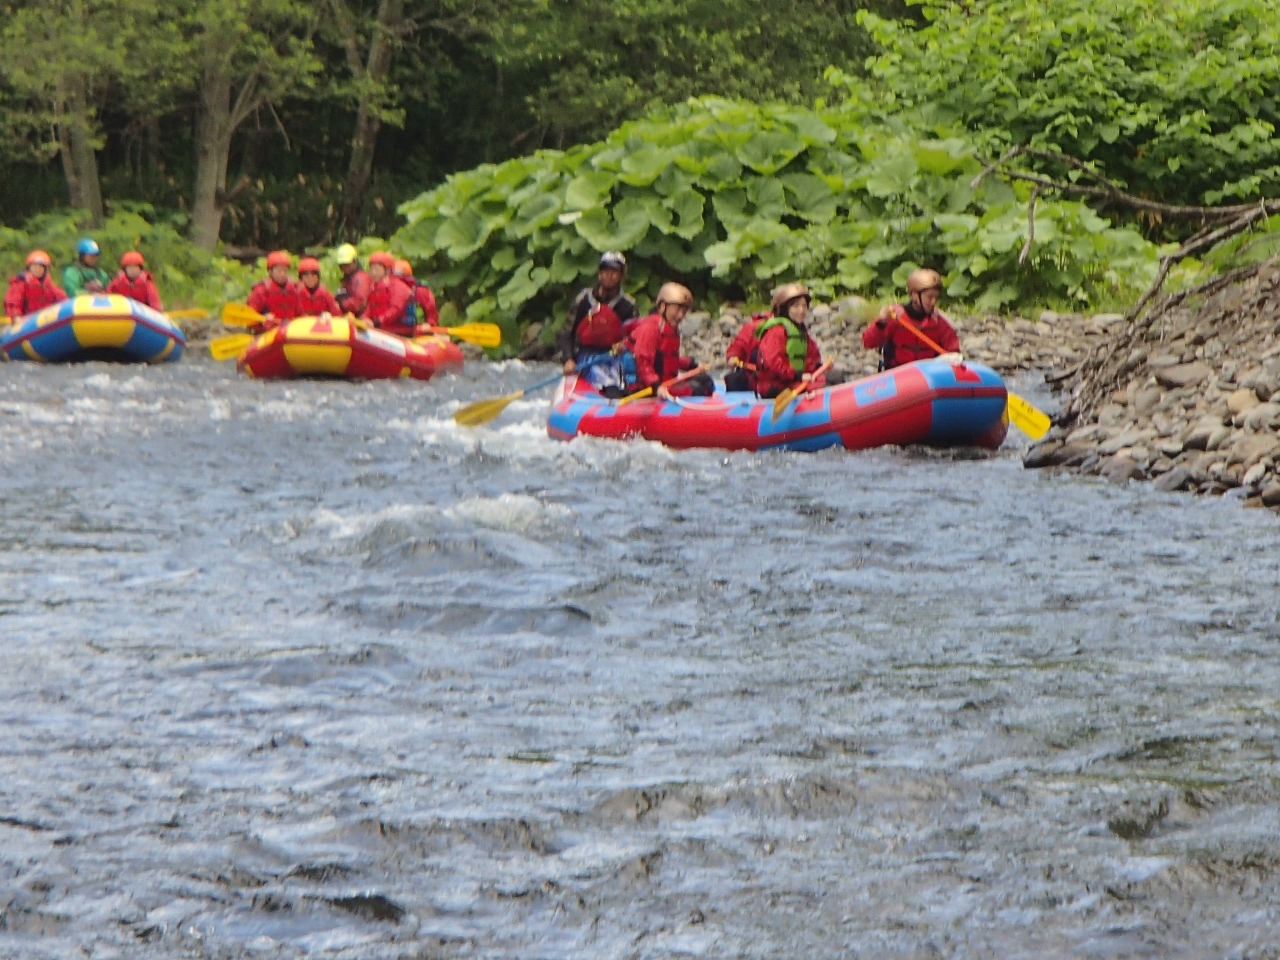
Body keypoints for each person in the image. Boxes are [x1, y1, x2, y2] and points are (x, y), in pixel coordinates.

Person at [625, 282, 714, 398]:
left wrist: (693, 365)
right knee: (696, 389)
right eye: (677, 309)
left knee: (705, 381)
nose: (680, 315)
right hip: (647, 387)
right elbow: (643, 363)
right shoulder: (650, 329)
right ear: (663, 306)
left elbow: (667, 358)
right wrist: (657, 386)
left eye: (684, 311)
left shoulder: (670, 329)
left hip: (665, 382)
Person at [862, 268, 960, 370]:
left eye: (936, 297)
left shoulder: (938, 323)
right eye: (929, 297)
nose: (933, 302)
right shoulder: (895, 317)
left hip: (928, 375)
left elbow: (954, 351)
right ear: (914, 295)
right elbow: (868, 342)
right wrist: (881, 323)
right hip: (897, 374)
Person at [751, 284, 828, 399]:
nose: (801, 310)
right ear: (785, 308)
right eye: (796, 306)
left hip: (793, 381)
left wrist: (819, 367)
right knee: (822, 385)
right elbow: (773, 362)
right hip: (775, 385)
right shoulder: (776, 331)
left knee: (834, 378)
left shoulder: (800, 332)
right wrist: (798, 376)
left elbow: (811, 357)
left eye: (804, 305)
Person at [361, 251, 413, 335]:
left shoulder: (398, 286)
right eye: (371, 269)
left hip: (400, 332)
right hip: (382, 329)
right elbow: (370, 308)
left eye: (377, 269)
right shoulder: (374, 287)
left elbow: (395, 309)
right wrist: (364, 319)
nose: (373, 273)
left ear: (387, 270)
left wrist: (377, 322)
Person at [5, 250, 67, 319]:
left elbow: (63, 300)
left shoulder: (49, 286)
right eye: (34, 266)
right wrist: (16, 316)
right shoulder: (20, 284)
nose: (37, 269)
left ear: (45, 269)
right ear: (29, 268)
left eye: (41, 267)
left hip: (45, 320)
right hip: (26, 321)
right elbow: (13, 303)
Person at [246, 250, 302, 324]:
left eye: (285, 271)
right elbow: (249, 317)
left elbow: (300, 314)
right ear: (270, 271)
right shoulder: (260, 291)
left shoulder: (294, 289)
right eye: (279, 271)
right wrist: (263, 318)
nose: (282, 274)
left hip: (289, 331)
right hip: (267, 332)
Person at [723, 309, 771, 392]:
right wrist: (733, 356)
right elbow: (739, 344)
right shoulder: (754, 326)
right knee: (734, 380)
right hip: (754, 378)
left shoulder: (795, 327)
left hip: (779, 380)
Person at [392, 259, 439, 329]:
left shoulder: (421, 291)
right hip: (393, 331)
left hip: (417, 331)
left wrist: (430, 324)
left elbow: (431, 312)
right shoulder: (387, 290)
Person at [333, 243, 371, 316]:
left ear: (355, 261)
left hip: (361, 318)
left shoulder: (360, 278)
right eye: (342, 265)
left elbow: (360, 303)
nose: (345, 267)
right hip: (349, 316)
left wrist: (342, 304)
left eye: (347, 264)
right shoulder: (347, 278)